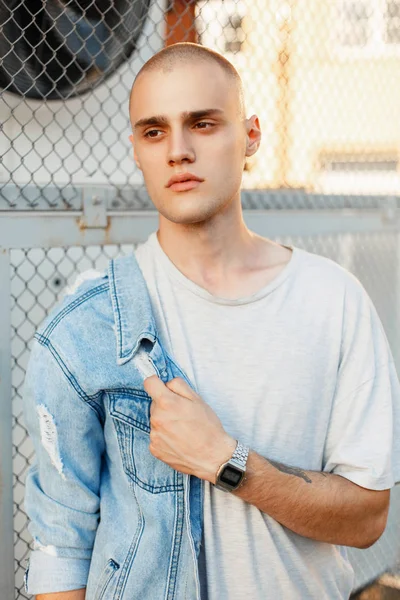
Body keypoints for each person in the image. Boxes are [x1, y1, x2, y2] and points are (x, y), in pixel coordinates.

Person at [23, 42, 400, 600]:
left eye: (202, 123)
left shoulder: (334, 301)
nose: (178, 150)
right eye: (154, 131)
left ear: (250, 135)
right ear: (136, 149)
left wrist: (228, 462)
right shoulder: (89, 326)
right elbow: (61, 547)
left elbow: (367, 519)